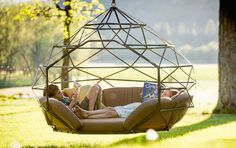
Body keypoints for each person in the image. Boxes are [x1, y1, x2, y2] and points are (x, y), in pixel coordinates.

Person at [75, 89, 179, 119]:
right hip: (136, 106)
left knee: (112, 113)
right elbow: (146, 102)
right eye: (163, 92)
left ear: (169, 98)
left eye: (165, 94)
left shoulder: (165, 103)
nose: (162, 94)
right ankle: (87, 113)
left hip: (138, 110)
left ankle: (88, 115)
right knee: (111, 109)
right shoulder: (157, 97)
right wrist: (144, 95)